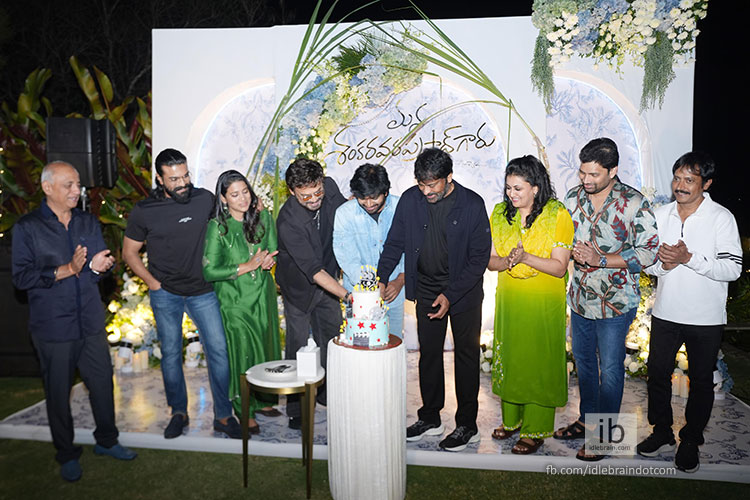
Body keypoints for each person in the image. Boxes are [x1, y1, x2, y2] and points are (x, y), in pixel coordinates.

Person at [12, 161, 136, 482]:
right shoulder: (28, 227)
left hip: (90, 321)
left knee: (102, 384)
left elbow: (96, 268)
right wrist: (67, 269)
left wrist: (98, 266)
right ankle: (66, 454)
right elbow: (22, 278)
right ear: (47, 187)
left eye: (77, 184)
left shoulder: (87, 221)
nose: (76, 190)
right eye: (68, 184)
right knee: (58, 393)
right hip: (53, 327)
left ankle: (107, 440)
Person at [377, 147, 491, 452]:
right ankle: (430, 417)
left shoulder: (472, 204)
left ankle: (467, 425)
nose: (426, 191)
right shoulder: (410, 200)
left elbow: (479, 258)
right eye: (421, 184)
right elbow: (394, 243)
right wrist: (381, 276)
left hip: (463, 292)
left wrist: (450, 295)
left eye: (432, 185)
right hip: (427, 288)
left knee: (466, 356)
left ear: (448, 177)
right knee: (428, 354)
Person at [123, 148, 241, 440]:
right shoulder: (144, 210)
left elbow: (231, 222)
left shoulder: (204, 199)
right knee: (171, 354)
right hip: (166, 293)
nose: (182, 183)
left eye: (185, 176)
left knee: (219, 351)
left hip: (203, 291)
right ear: (160, 179)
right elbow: (129, 252)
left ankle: (223, 416)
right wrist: (152, 283)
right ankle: (179, 412)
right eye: (174, 179)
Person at [636, 152, 742, 472]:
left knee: (700, 382)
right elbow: (647, 262)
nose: (680, 186)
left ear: (706, 184)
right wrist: (665, 265)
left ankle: (691, 440)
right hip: (666, 311)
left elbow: (733, 268)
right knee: (657, 374)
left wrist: (689, 258)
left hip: (705, 318)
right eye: (677, 178)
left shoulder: (721, 217)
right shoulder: (660, 214)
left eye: (689, 180)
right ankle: (662, 432)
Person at [555, 138, 659, 461]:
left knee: (611, 369)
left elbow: (649, 252)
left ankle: (603, 436)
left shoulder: (633, 203)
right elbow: (562, 241)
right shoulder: (572, 198)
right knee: (584, 364)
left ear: (613, 171)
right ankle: (587, 420)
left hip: (616, 302)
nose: (586, 180)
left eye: (594, 174)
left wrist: (600, 259)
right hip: (580, 299)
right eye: (582, 173)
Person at [487, 155, 573, 455]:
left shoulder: (557, 215)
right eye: (508, 187)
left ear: (535, 188)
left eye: (518, 188)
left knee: (538, 361)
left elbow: (559, 268)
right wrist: (507, 261)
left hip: (543, 303)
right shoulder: (500, 214)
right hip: (511, 299)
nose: (511, 194)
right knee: (512, 357)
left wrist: (525, 257)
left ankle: (535, 429)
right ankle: (512, 421)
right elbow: (490, 260)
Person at [202, 170, 282, 434]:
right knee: (243, 351)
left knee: (265, 348)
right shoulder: (218, 227)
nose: (243, 198)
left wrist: (268, 260)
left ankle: (262, 399)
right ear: (224, 199)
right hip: (234, 300)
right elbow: (209, 271)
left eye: (245, 191)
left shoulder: (263, 217)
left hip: (263, 296)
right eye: (234, 194)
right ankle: (244, 409)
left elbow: (272, 250)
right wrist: (247, 266)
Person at [275, 158, 347, 429]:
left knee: (332, 340)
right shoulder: (288, 221)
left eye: (318, 192)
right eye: (306, 196)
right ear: (292, 191)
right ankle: (297, 409)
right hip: (299, 289)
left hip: (327, 280)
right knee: (297, 347)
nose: (315, 199)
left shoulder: (330, 187)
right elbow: (312, 270)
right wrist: (347, 296)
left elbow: (345, 213)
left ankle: (327, 393)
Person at [333, 163, 405, 338]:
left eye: (373, 197)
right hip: (359, 297)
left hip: (394, 293)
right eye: (362, 198)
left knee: (393, 344)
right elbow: (347, 258)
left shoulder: (401, 208)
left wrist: (400, 280)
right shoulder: (344, 214)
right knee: (361, 345)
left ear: (385, 192)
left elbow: (411, 249)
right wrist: (372, 289)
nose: (368, 203)